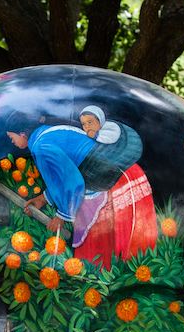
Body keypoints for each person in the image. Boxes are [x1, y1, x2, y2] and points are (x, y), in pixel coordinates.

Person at [8, 105, 156, 269]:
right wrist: (44, 198)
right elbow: (62, 175)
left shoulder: (41, 145)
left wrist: (62, 216)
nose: (12, 142)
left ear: (23, 134)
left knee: (104, 253)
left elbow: (72, 180)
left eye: (12, 137)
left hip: (113, 182)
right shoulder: (46, 134)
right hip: (116, 175)